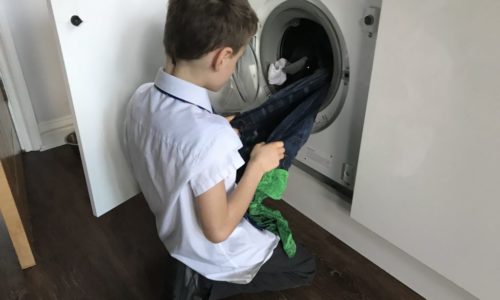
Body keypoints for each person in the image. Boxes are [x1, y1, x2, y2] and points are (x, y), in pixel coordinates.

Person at [123, 0, 315, 298]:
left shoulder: (140, 98)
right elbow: (218, 230)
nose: (234, 67)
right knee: (305, 266)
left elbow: (180, 142)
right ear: (222, 57)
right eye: (237, 60)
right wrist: (257, 167)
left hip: (174, 231)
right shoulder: (211, 137)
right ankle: (202, 283)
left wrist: (216, 129)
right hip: (215, 252)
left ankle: (188, 265)